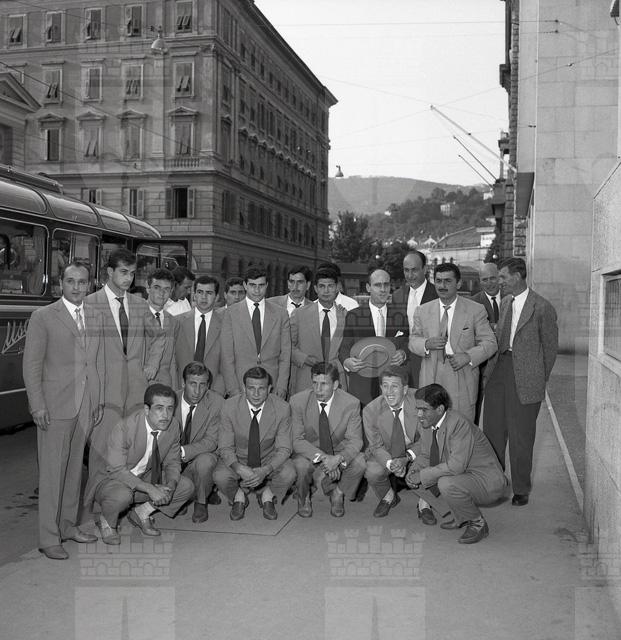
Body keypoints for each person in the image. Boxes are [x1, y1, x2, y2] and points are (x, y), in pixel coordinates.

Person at [23, 261, 104, 559]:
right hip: (54, 406)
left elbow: (94, 363)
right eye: (71, 281)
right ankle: (48, 538)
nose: (77, 287)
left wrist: (96, 401)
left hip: (84, 405)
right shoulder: (43, 317)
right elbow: (32, 365)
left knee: (73, 473)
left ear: (89, 284)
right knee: (52, 474)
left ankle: (68, 526)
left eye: (82, 282)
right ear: (61, 283)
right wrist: (37, 405)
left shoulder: (95, 316)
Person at [483, 257, 558, 507]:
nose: (499, 282)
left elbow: (550, 350)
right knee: (493, 430)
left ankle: (521, 488)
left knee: (521, 435)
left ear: (517, 277)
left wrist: (536, 378)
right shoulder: (505, 302)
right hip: (499, 371)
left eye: (503, 277)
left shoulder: (543, 307)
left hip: (526, 378)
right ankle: (495, 483)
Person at [85, 249, 165, 477]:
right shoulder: (90, 304)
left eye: (132, 273)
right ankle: (98, 497)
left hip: (136, 390)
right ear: (110, 272)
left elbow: (159, 336)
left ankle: (128, 495)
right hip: (105, 392)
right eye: (123, 272)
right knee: (101, 452)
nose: (129, 278)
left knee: (132, 450)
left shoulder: (139, 304)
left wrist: (152, 364)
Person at [85, 384, 194, 543]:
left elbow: (173, 461)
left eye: (170, 408)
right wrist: (150, 489)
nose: (165, 415)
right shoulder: (125, 428)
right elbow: (116, 470)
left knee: (185, 486)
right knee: (122, 496)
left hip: (145, 476)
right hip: (112, 479)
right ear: (146, 409)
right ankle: (106, 521)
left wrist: (170, 484)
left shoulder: (173, 426)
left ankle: (141, 513)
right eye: (159, 408)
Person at [406, 383, 507, 544]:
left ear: (440, 409)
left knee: (445, 483)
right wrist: (414, 471)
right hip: (465, 474)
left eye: (424, 409)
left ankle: (478, 524)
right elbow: (426, 454)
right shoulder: (426, 423)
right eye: (417, 409)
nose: (419, 414)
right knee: (416, 479)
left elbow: (456, 466)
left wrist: (422, 475)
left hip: (487, 481)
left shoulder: (458, 424)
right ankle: (461, 515)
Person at [409, 262, 497, 422]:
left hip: (462, 375)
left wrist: (468, 357)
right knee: (431, 426)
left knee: (461, 428)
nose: (442, 286)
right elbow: (413, 340)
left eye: (448, 281)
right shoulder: (422, 310)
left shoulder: (475, 310)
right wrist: (426, 344)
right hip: (431, 375)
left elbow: (490, 343)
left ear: (459, 283)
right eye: (438, 281)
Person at [214, 367, 295, 521]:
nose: (256, 394)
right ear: (244, 388)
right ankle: (238, 497)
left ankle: (267, 495)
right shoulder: (229, 407)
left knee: (289, 473)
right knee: (220, 475)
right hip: (239, 457)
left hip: (267, 458)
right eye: (251, 388)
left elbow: (284, 448)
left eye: (261, 389)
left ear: (269, 389)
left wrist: (266, 470)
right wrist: (238, 467)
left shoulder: (282, 408)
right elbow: (225, 447)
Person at [290, 362, 365, 518]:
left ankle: (338, 493)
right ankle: (304, 496)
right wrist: (325, 458)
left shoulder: (351, 403)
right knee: (301, 466)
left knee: (360, 463)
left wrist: (338, 459)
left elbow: (356, 441)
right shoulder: (298, 401)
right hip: (310, 449)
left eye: (324, 384)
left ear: (335, 385)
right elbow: (297, 440)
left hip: (338, 449)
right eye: (315, 383)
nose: (318, 389)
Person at [363, 366, 427, 519]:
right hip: (387, 450)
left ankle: (424, 503)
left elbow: (427, 440)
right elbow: (376, 446)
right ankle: (389, 496)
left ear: (405, 389)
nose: (389, 392)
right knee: (371, 470)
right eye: (385, 386)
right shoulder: (370, 410)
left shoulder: (420, 403)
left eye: (394, 386)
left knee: (431, 461)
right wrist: (391, 464)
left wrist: (407, 457)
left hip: (416, 449)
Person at [339, 268, 409, 406]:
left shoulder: (401, 316)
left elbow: (407, 342)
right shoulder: (353, 316)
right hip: (362, 386)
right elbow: (344, 348)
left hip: (392, 386)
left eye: (386, 284)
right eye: (377, 285)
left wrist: (404, 353)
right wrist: (347, 362)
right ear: (368, 287)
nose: (383, 289)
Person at [220, 266, 291, 399]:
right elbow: (227, 356)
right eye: (253, 285)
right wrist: (233, 389)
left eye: (261, 285)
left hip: (272, 385)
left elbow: (285, 354)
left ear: (267, 285)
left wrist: (282, 386)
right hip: (240, 385)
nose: (257, 290)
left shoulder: (281, 314)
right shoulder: (230, 314)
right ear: (245, 285)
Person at [175, 362, 223, 523]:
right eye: (192, 384)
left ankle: (201, 501)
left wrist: (182, 452)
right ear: (183, 383)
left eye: (202, 385)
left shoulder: (217, 403)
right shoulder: (169, 401)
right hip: (173, 459)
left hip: (202, 454)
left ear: (208, 385)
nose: (197, 391)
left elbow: (211, 442)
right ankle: (181, 496)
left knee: (205, 461)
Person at [290, 266, 348, 395]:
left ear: (337, 288)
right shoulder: (299, 314)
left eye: (330, 286)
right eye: (322, 286)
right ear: (315, 288)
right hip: (307, 378)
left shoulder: (345, 316)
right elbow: (288, 346)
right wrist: (305, 359)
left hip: (336, 380)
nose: (326, 291)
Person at [391, 250, 438, 387]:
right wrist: (402, 351)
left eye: (414, 270)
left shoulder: (437, 294)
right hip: (404, 360)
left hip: (431, 359)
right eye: (406, 270)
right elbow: (399, 330)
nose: (410, 275)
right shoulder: (397, 295)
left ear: (425, 269)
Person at [175, 275, 225, 395]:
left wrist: (217, 393)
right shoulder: (177, 322)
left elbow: (227, 363)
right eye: (200, 292)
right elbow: (173, 362)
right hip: (181, 390)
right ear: (194, 295)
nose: (203, 297)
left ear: (217, 297)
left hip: (213, 391)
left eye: (209, 293)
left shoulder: (226, 324)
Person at [470, 261, 502, 423]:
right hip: (483, 365)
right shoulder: (472, 303)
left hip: (507, 364)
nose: (489, 283)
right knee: (478, 407)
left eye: (492, 278)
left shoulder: (512, 298)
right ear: (480, 281)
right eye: (484, 279)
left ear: (499, 278)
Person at [146, 268, 179, 388]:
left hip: (165, 386)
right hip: (139, 385)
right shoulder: (134, 316)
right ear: (148, 288)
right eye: (157, 287)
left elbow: (172, 361)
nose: (162, 293)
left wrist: (174, 390)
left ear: (171, 292)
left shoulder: (173, 322)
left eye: (166, 289)